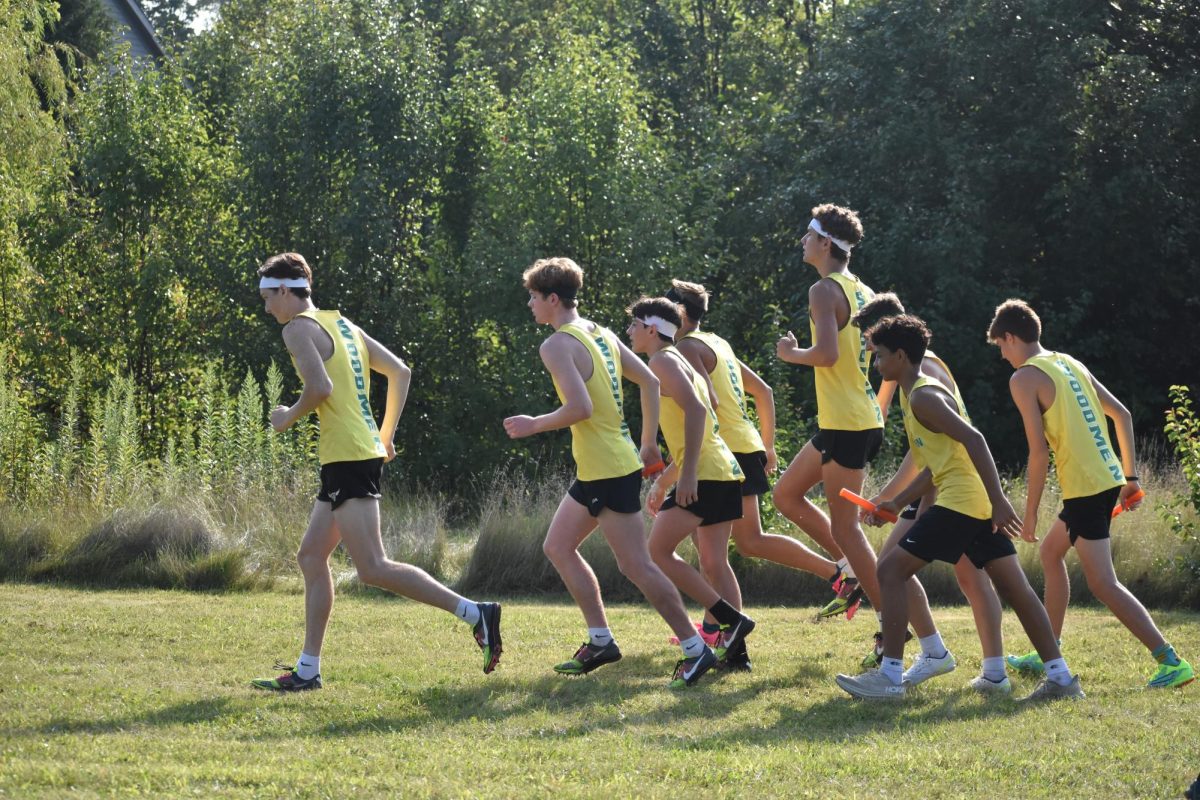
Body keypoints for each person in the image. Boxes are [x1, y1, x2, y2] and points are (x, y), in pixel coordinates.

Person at [251, 252, 501, 692]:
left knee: (373, 567)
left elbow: (320, 388)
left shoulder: (297, 329)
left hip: (348, 455)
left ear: (287, 291)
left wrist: (287, 416)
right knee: (311, 556)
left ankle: (474, 612)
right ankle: (308, 670)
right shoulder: (342, 325)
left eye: (267, 296)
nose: (266, 306)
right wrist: (384, 437)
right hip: (351, 453)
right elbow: (400, 372)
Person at [835, 315, 1082, 701]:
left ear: (901, 355)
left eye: (880, 356)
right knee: (1016, 589)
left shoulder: (923, 395)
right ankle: (1062, 678)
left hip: (962, 503)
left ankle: (890, 677)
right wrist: (897, 501)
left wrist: (1000, 501)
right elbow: (941, 460)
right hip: (969, 500)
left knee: (889, 571)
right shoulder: (911, 391)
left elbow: (975, 439)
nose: (876, 365)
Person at [504, 258, 719, 688]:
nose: (529, 304)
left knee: (637, 565)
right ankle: (600, 639)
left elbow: (580, 408)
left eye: (532, 297)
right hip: (605, 465)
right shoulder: (600, 332)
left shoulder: (557, 345)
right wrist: (647, 442)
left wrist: (533, 423)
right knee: (558, 546)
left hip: (606, 468)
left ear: (551, 298)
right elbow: (649, 382)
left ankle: (696, 650)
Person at [988, 299, 1193, 689]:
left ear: (1011, 337)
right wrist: (1129, 478)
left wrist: (1028, 514)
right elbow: (1122, 415)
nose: (1002, 355)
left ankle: (1171, 661)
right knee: (1051, 553)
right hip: (1103, 480)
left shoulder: (1024, 378)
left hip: (1085, 488)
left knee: (1102, 583)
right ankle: (1049, 648)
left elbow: (1037, 452)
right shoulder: (1069, 362)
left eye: (1000, 345)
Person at [669, 279, 836, 669]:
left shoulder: (686, 349)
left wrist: (682, 468)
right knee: (736, 546)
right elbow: (763, 391)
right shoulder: (717, 342)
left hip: (722, 452)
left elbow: (705, 405)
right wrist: (768, 445)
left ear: (678, 312)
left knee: (716, 556)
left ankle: (733, 641)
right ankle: (717, 631)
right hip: (744, 449)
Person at [853, 294, 1010, 693]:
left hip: (949, 489)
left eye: (874, 347)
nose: (871, 356)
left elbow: (939, 446)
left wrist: (905, 500)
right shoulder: (905, 376)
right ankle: (952, 657)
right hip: (941, 485)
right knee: (952, 574)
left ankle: (977, 666)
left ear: (896, 340)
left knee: (955, 576)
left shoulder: (928, 375)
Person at [629, 296, 756, 680]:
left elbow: (700, 412)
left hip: (705, 474)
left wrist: (685, 478)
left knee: (656, 552)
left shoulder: (663, 361)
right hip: (722, 469)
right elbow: (711, 404)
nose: (630, 332)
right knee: (715, 564)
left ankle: (729, 619)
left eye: (634, 325)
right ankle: (737, 652)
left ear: (652, 329)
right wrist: (670, 476)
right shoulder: (680, 359)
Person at [773, 204, 884, 625]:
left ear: (825, 243)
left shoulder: (823, 291)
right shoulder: (864, 290)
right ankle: (849, 570)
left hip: (847, 422)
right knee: (785, 495)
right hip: (855, 418)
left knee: (847, 531)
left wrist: (790, 353)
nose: (802, 241)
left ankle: (890, 629)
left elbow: (825, 354)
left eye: (808, 234)